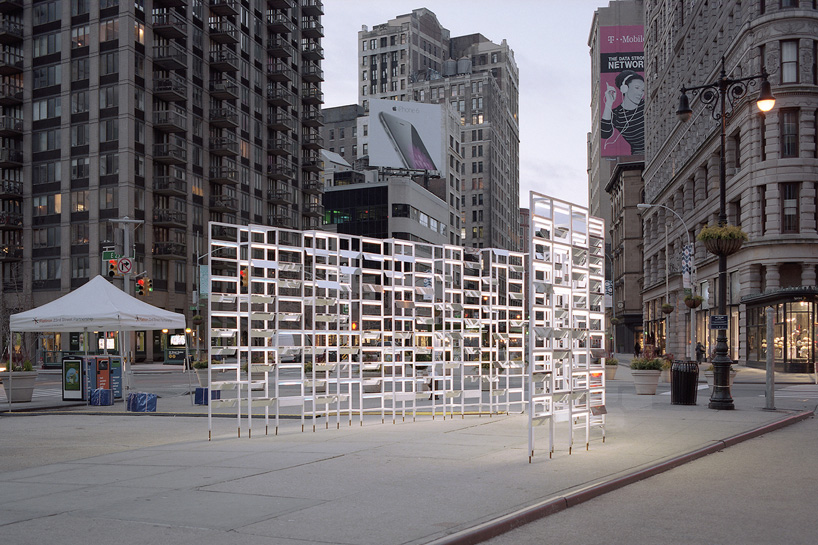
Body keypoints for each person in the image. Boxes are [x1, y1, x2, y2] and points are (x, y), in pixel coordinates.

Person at [601, 69, 645, 155]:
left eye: (643, 90)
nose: (640, 93)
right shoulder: (617, 114)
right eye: (637, 88)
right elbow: (604, 134)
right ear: (624, 88)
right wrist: (609, 103)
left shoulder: (647, 105)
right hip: (637, 156)